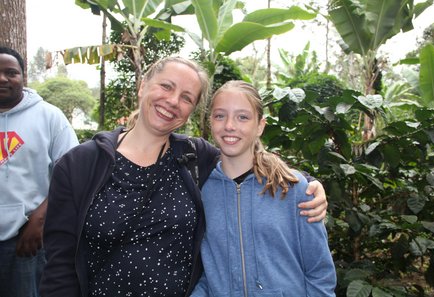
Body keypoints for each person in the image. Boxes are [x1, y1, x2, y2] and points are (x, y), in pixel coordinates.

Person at [40, 57, 328, 297]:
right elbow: (59, 266)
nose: (173, 101)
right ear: (143, 86)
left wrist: (306, 183)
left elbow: (243, 161)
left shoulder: (193, 157)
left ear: (192, 110)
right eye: (166, 86)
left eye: (187, 97)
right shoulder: (80, 164)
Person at [190, 80, 336, 296]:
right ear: (210, 121)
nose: (229, 125)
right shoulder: (200, 189)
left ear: (260, 126)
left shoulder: (293, 188)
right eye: (220, 115)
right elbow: (207, 270)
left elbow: (320, 273)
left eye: (243, 117)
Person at [0, 46, 79, 297]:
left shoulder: (49, 117)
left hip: (27, 239)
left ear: (23, 77)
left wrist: (40, 219)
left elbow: (73, 175)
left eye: (11, 72)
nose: (3, 78)